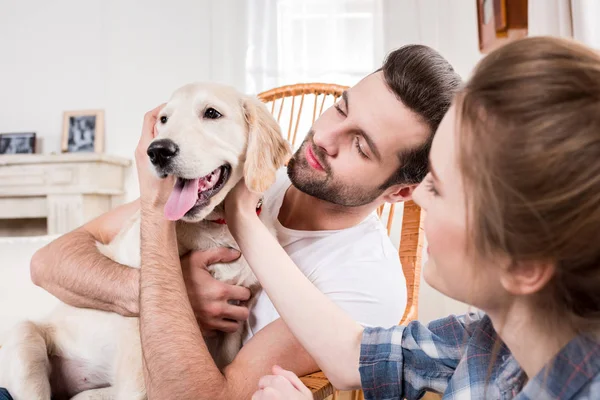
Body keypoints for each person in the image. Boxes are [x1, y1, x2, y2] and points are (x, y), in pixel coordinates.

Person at [15, 45, 461, 400]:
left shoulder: (363, 283)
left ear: (400, 191)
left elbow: (203, 396)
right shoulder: (234, 171)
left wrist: (226, 223)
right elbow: (49, 263)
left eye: (361, 146)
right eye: (341, 109)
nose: (324, 138)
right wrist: (166, 291)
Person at [223, 36, 600, 400]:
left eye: (438, 187)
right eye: (341, 107)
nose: (418, 197)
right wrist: (238, 218)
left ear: (524, 265)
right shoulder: (480, 341)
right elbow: (349, 353)